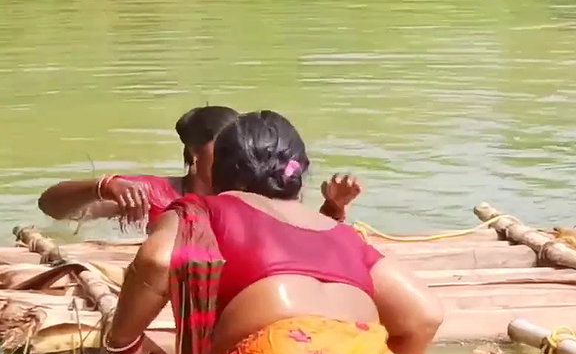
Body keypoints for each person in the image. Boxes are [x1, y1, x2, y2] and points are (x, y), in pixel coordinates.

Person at [75, 110, 443, 354]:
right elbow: (425, 315)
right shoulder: (341, 233)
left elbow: (156, 260)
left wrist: (124, 341)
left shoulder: (200, 210)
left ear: (218, 170)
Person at [37, 105, 364, 232]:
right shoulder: (150, 195)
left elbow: (299, 240)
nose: (238, 158)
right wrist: (103, 186)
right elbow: (52, 208)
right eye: (224, 150)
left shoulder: (255, 192)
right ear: (195, 155)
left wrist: (333, 206)